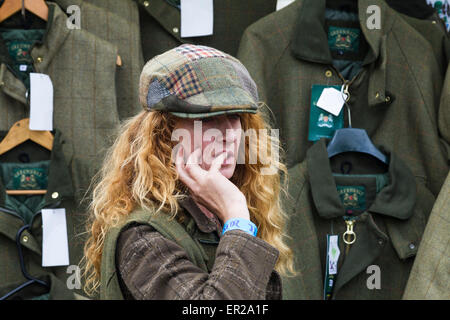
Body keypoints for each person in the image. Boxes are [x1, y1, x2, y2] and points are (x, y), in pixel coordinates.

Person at [82, 44, 294, 300]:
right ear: (164, 134)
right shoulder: (143, 236)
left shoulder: (216, 214)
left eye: (236, 117)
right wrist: (236, 216)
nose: (228, 134)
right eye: (207, 119)